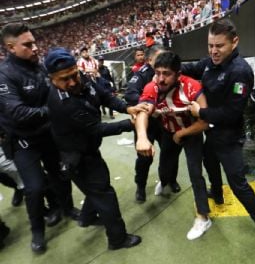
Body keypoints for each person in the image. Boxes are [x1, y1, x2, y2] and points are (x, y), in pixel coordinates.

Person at [185, 18, 255, 258]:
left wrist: (201, 113)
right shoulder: (210, 62)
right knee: (209, 163)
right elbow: (194, 68)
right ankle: (217, 193)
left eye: (219, 46)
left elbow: (232, 113)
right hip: (211, 132)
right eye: (210, 46)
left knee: (239, 186)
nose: (213, 51)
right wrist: (169, 64)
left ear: (234, 42)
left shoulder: (239, 72)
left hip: (228, 137)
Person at [44, 47, 148, 250]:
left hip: (88, 149)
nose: (73, 82)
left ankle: (86, 217)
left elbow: (106, 96)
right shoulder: (63, 104)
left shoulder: (82, 78)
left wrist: (127, 108)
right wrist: (131, 124)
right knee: (104, 193)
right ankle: (117, 240)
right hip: (78, 157)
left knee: (96, 189)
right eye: (65, 79)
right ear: (52, 79)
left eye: (74, 75)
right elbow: (96, 129)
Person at [0, 23, 79, 253]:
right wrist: (55, 110)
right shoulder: (4, 75)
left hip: (48, 135)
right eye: (28, 44)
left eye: (34, 42)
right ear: (11, 47)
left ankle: (67, 208)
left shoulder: (41, 66)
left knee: (60, 174)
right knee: (34, 188)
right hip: (23, 141)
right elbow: (18, 113)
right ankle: (38, 231)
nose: (35, 48)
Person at [135, 51, 211, 240]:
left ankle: (203, 217)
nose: (161, 79)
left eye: (166, 73)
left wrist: (182, 133)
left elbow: (205, 121)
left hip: (191, 132)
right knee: (165, 165)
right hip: (168, 132)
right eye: (158, 72)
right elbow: (142, 112)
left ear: (178, 74)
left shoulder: (192, 87)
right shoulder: (152, 86)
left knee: (195, 173)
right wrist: (142, 137)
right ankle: (165, 180)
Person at [125, 45, 181, 203]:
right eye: (160, 59)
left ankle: (171, 179)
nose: (164, 62)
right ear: (150, 60)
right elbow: (130, 94)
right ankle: (140, 187)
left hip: (165, 121)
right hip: (147, 123)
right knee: (144, 158)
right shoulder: (142, 75)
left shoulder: (171, 73)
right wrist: (147, 105)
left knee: (170, 153)